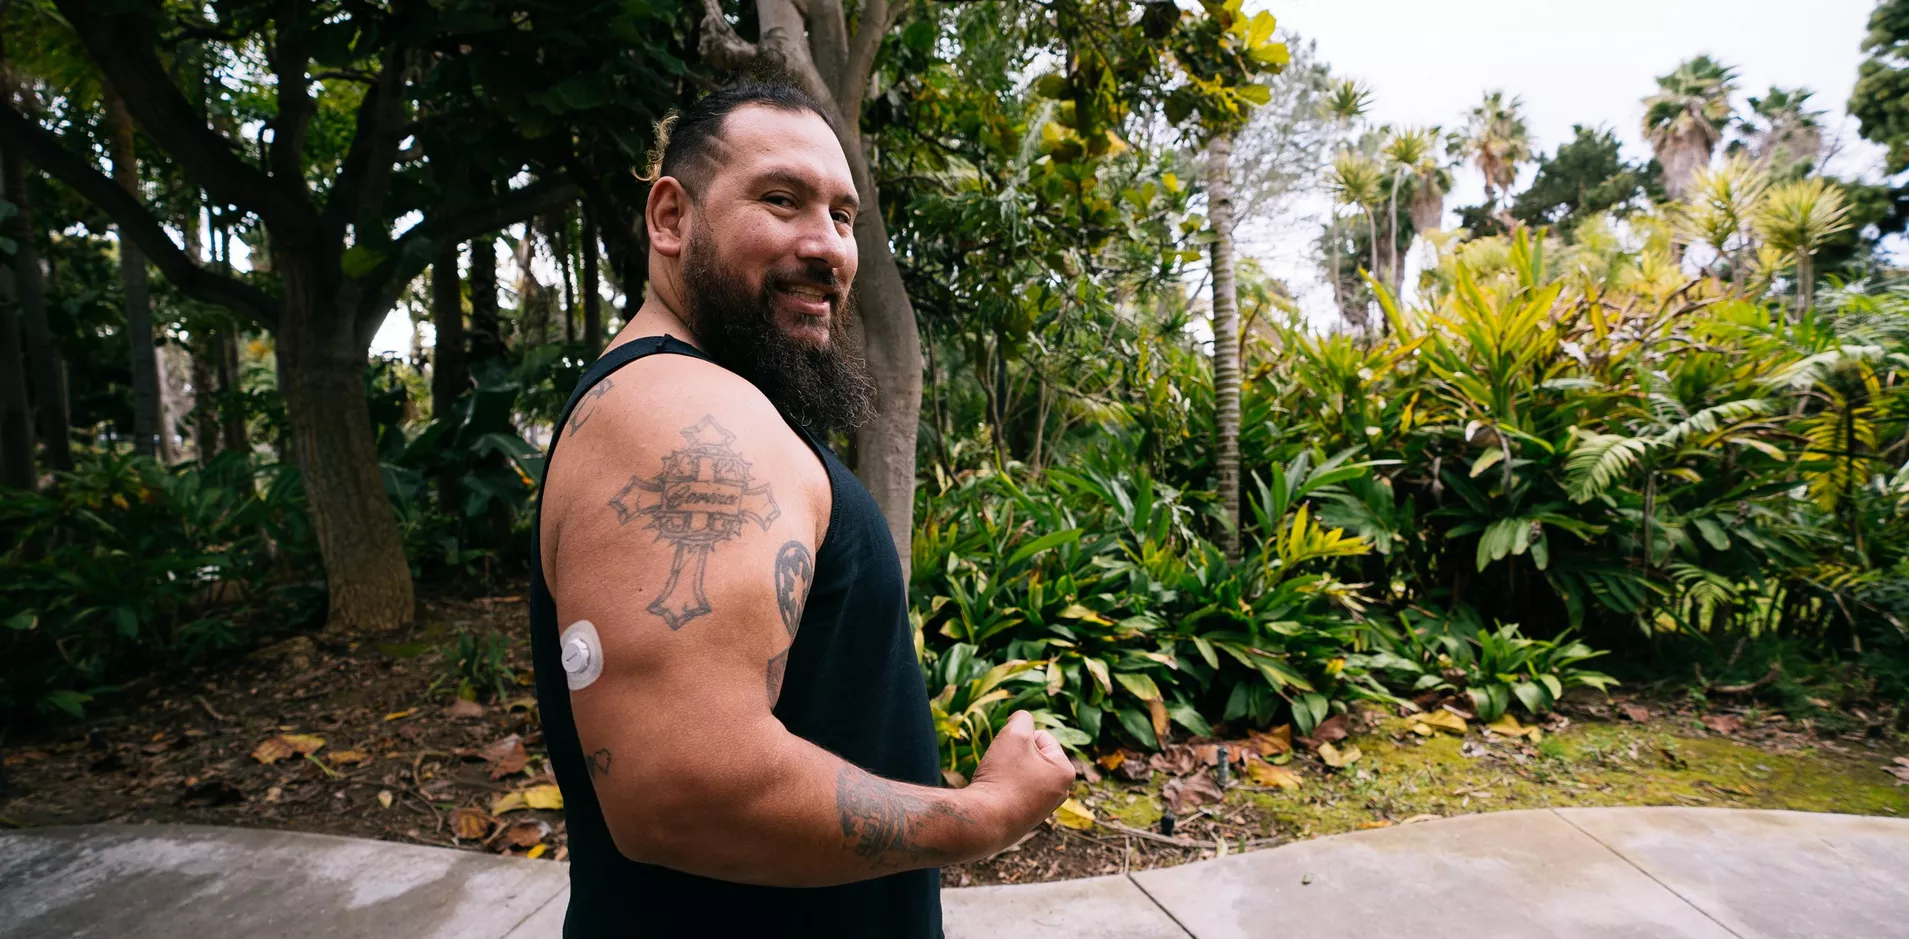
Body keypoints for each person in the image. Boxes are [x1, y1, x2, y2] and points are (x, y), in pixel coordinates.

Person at [528, 78, 1075, 938]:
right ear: (670, 218)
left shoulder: (687, 395)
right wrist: (986, 814)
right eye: (781, 200)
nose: (828, 247)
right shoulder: (681, 413)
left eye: (843, 215)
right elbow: (685, 791)